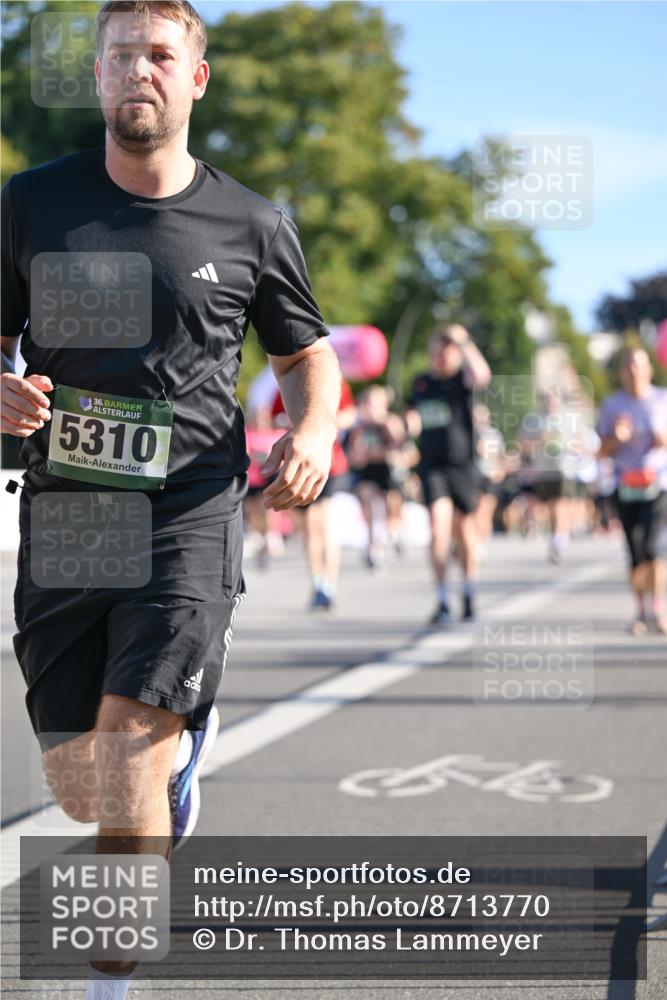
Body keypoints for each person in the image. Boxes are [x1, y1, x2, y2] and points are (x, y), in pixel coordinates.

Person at [0, 2, 341, 996]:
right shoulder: (31, 204)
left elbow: (306, 356)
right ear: (98, 78)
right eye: (118, 57)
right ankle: (182, 759)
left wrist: (311, 431)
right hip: (69, 510)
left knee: (128, 757)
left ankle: (111, 983)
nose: (136, 71)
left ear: (194, 78)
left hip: (189, 510)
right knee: (82, 789)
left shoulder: (251, 221)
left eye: (159, 54)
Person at [406, 324, 491, 624]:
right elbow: (412, 416)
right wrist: (407, 428)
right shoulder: (421, 384)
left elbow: (482, 375)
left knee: (465, 531)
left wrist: (464, 340)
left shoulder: (461, 381)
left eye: (447, 350)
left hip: (463, 465)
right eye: (437, 351)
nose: (441, 356)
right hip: (432, 466)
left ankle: (468, 591)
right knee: (438, 528)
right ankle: (442, 598)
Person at [597, 345, 667, 635]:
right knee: (635, 549)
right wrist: (616, 437)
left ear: (649, 369)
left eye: (639, 365)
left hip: (657, 483)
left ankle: (658, 609)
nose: (634, 371)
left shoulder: (662, 399)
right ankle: (640, 611)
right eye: (628, 365)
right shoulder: (612, 405)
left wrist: (661, 436)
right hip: (625, 484)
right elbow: (600, 451)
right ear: (621, 372)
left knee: (653, 546)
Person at [272, 379, 356, 608]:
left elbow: (349, 415)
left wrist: (319, 425)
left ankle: (329, 584)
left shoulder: (333, 380)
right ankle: (318, 582)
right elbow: (274, 417)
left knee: (324, 523)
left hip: (331, 462)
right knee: (309, 528)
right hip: (301, 462)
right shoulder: (287, 380)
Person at [345, 384, 402, 568]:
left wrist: (379, 451)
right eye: (367, 403)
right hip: (368, 471)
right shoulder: (360, 426)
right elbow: (354, 453)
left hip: (387, 470)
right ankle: (373, 545)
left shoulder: (390, 422)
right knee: (367, 499)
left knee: (391, 502)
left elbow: (399, 445)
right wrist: (360, 453)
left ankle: (393, 531)